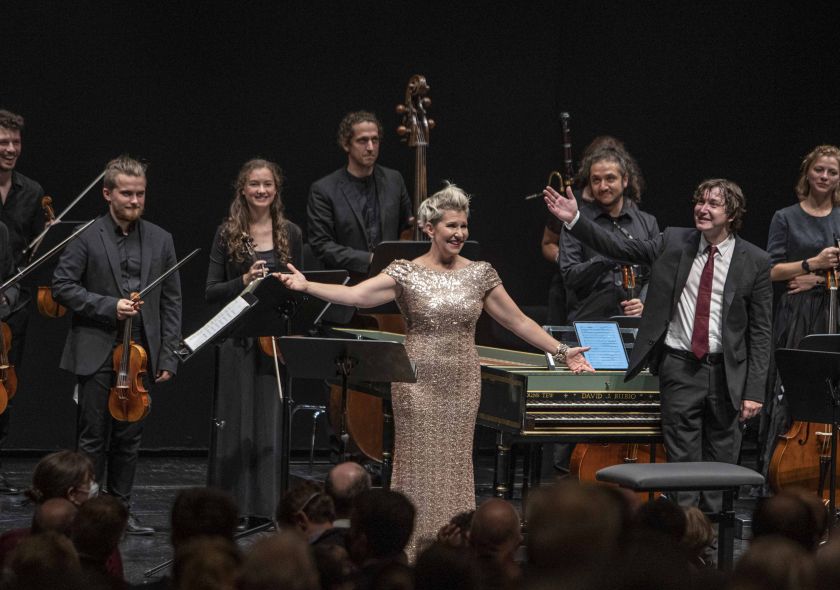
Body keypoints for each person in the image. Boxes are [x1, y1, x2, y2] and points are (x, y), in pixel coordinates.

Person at [282, 183, 593, 556]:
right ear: (430, 229)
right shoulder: (406, 272)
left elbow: (517, 321)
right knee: (416, 465)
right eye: (451, 226)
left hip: (462, 381)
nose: (459, 233)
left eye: (464, 226)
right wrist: (305, 285)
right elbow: (357, 295)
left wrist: (561, 351)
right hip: (416, 382)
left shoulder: (480, 273)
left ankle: (454, 548)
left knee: (455, 465)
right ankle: (409, 549)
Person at [545, 178, 772, 512]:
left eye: (713, 203)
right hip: (680, 367)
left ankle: (710, 536)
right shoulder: (673, 240)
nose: (702, 208)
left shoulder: (755, 260)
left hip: (727, 373)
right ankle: (687, 536)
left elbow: (761, 332)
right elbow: (619, 248)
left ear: (732, 212)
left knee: (722, 460)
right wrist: (575, 220)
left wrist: (755, 390)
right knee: (682, 462)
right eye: (700, 200)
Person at [52, 155, 182, 535]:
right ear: (107, 193)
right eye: (127, 193)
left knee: (129, 436)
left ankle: (120, 511)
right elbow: (62, 287)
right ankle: (87, 510)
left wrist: (169, 355)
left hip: (141, 349)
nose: (135, 201)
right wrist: (110, 306)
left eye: (141, 194)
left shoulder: (161, 239)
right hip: (97, 347)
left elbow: (172, 300)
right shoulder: (87, 235)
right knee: (92, 435)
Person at [205, 158, 302, 523]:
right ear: (242, 189)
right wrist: (243, 281)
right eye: (254, 184)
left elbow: (300, 289)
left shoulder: (290, 232)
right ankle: (233, 508)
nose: (262, 190)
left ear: (276, 190)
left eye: (268, 185)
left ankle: (266, 508)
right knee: (235, 424)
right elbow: (211, 291)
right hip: (237, 341)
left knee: (269, 426)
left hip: (274, 341)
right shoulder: (226, 233)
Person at [758, 145, 840, 478]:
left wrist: (816, 281)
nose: (824, 176)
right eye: (819, 169)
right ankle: (781, 471)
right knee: (789, 389)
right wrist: (811, 264)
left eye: (832, 172)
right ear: (807, 172)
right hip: (796, 316)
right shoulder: (786, 217)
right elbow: (769, 270)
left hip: (833, 310)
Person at [306, 110, 412, 276]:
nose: (370, 147)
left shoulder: (394, 180)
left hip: (391, 280)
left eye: (375, 140)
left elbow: (408, 227)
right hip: (348, 283)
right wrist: (370, 259)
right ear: (346, 144)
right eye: (362, 141)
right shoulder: (323, 189)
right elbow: (322, 245)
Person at [560, 146, 659, 323]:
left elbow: (655, 275)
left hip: (635, 325)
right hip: (589, 324)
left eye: (610, 178)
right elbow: (570, 276)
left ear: (625, 180)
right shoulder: (576, 222)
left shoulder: (647, 222)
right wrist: (611, 256)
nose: (603, 186)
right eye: (596, 180)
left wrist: (644, 302)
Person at [0, 109, 44, 494]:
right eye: (3, 143)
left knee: (5, 384)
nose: (10, 149)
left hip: (12, 303)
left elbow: (29, 256)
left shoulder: (30, 191)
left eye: (15, 143)